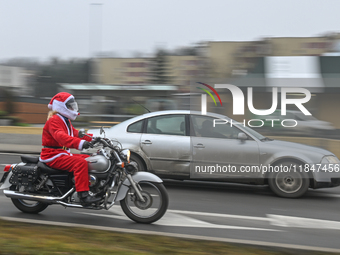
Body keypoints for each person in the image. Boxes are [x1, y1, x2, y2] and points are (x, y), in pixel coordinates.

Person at [39, 92, 100, 205]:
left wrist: (94, 138)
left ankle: (90, 187)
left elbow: (75, 133)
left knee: (90, 159)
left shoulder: (64, 120)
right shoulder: (54, 120)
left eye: (73, 105)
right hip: (52, 155)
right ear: (61, 106)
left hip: (62, 153)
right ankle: (83, 196)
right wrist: (81, 144)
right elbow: (61, 137)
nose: (72, 108)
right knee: (80, 163)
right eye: (70, 105)